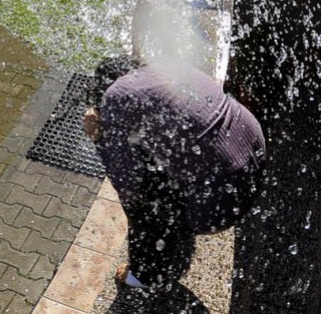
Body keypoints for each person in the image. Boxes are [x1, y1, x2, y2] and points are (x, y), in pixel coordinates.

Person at [83, 57, 265, 290]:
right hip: (254, 156)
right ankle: (176, 236)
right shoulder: (166, 66)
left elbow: (127, 182)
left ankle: (145, 274)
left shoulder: (114, 98)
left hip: (223, 205)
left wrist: (99, 138)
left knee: (140, 198)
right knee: (157, 158)